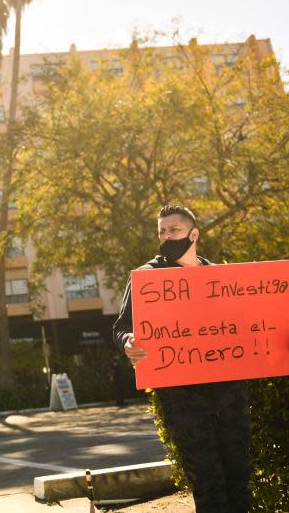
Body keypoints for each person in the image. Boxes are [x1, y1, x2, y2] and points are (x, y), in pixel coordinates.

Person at [113, 205, 250, 513]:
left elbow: (248, 323)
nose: (166, 236)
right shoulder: (146, 278)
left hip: (230, 394)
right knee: (207, 484)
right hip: (182, 398)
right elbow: (122, 326)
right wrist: (127, 342)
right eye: (162, 231)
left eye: (173, 230)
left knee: (239, 479)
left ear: (193, 234)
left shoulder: (221, 277)